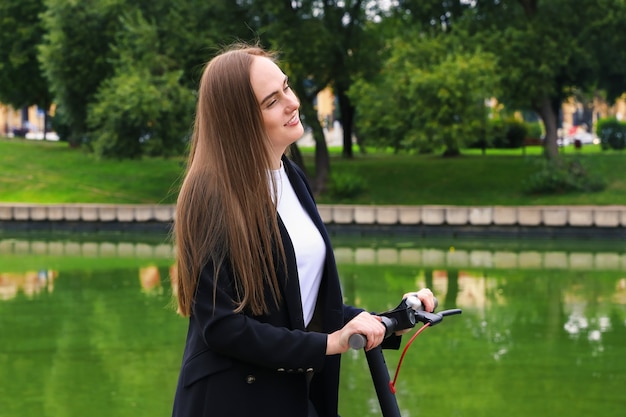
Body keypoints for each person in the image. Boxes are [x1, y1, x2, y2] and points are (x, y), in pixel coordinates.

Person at [171, 43, 435, 417]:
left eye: (287, 87)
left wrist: (386, 322)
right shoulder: (210, 195)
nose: (292, 102)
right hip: (233, 400)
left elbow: (305, 307)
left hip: (293, 395)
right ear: (239, 119)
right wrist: (329, 344)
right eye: (271, 101)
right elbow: (223, 327)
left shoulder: (291, 177)